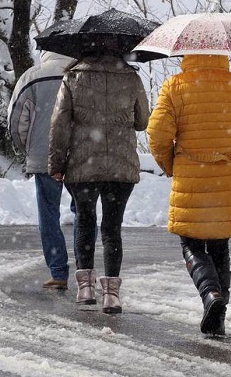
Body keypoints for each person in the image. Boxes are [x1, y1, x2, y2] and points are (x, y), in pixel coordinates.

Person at [147, 54, 231, 336]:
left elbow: (157, 133)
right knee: (220, 243)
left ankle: (211, 294)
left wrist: (170, 164)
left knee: (192, 242)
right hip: (228, 175)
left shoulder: (175, 85)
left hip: (191, 176)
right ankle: (219, 318)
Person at [48, 53, 149, 313]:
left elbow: (60, 123)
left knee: (85, 220)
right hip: (120, 164)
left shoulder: (73, 77)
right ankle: (112, 295)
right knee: (112, 228)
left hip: (84, 163)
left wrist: (56, 163)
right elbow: (143, 122)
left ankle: (85, 289)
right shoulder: (131, 77)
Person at [8, 50, 79, 290]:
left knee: (49, 214)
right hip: (80, 155)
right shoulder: (80, 74)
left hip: (43, 154)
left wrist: (28, 147)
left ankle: (58, 272)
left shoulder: (32, 77)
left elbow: (17, 121)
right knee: (82, 212)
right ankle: (85, 270)